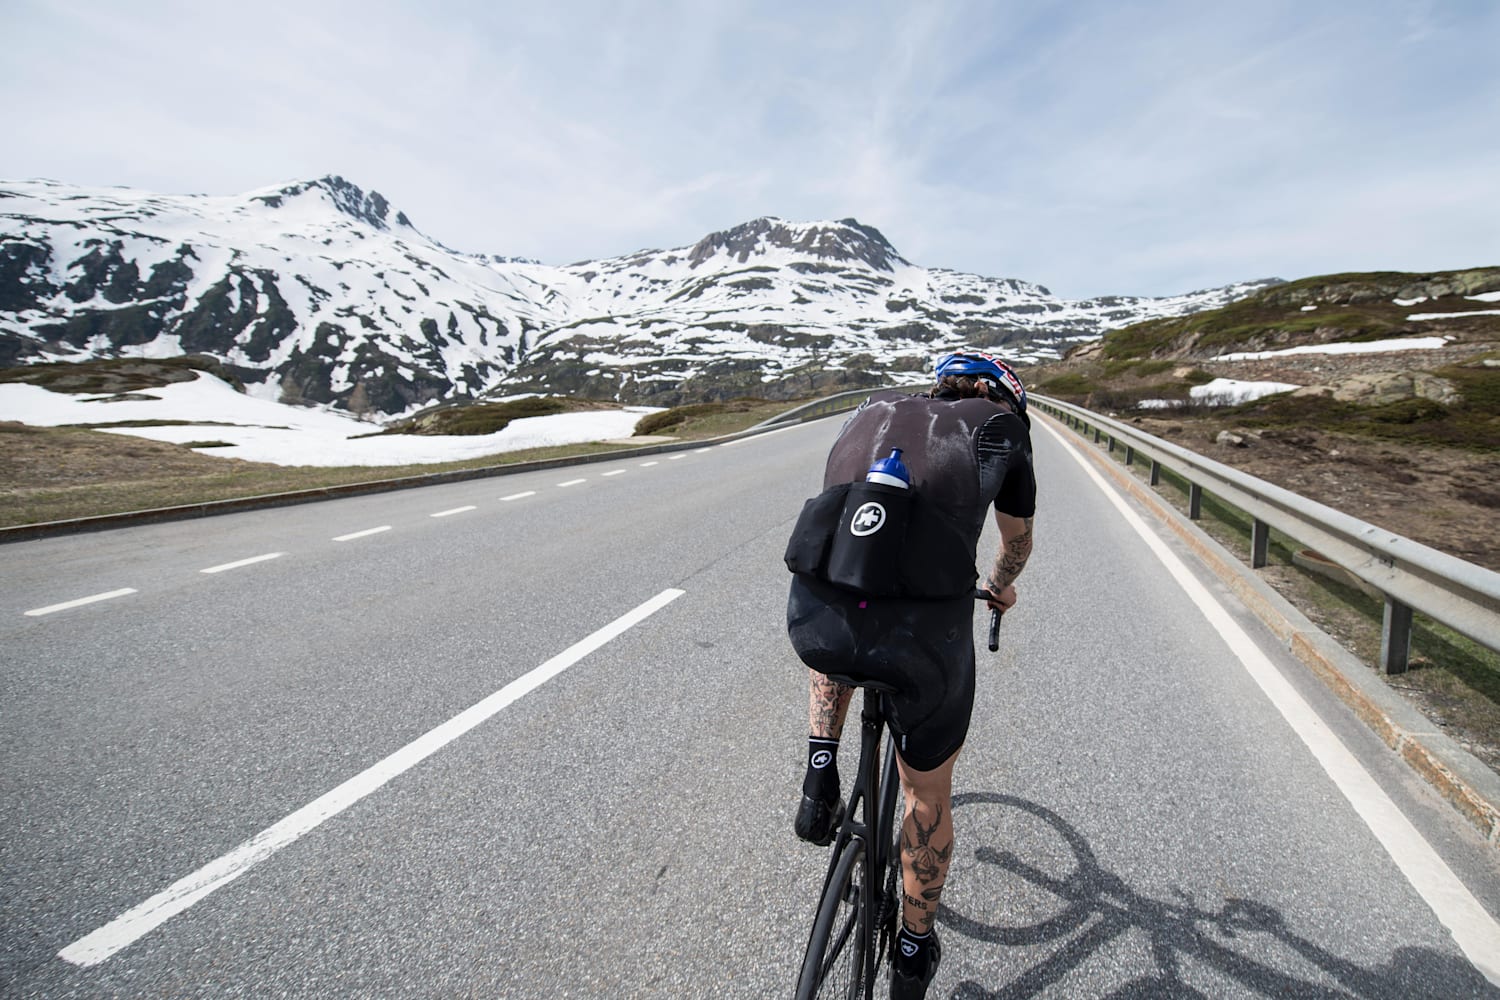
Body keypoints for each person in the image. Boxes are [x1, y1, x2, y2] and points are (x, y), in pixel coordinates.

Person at [785, 351, 1036, 1000]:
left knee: (848, 598)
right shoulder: (1001, 429)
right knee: (926, 796)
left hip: (817, 617)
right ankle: (912, 950)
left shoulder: (870, 413)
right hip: (923, 643)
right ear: (1005, 396)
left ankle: (819, 772)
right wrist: (998, 588)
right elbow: (1016, 545)